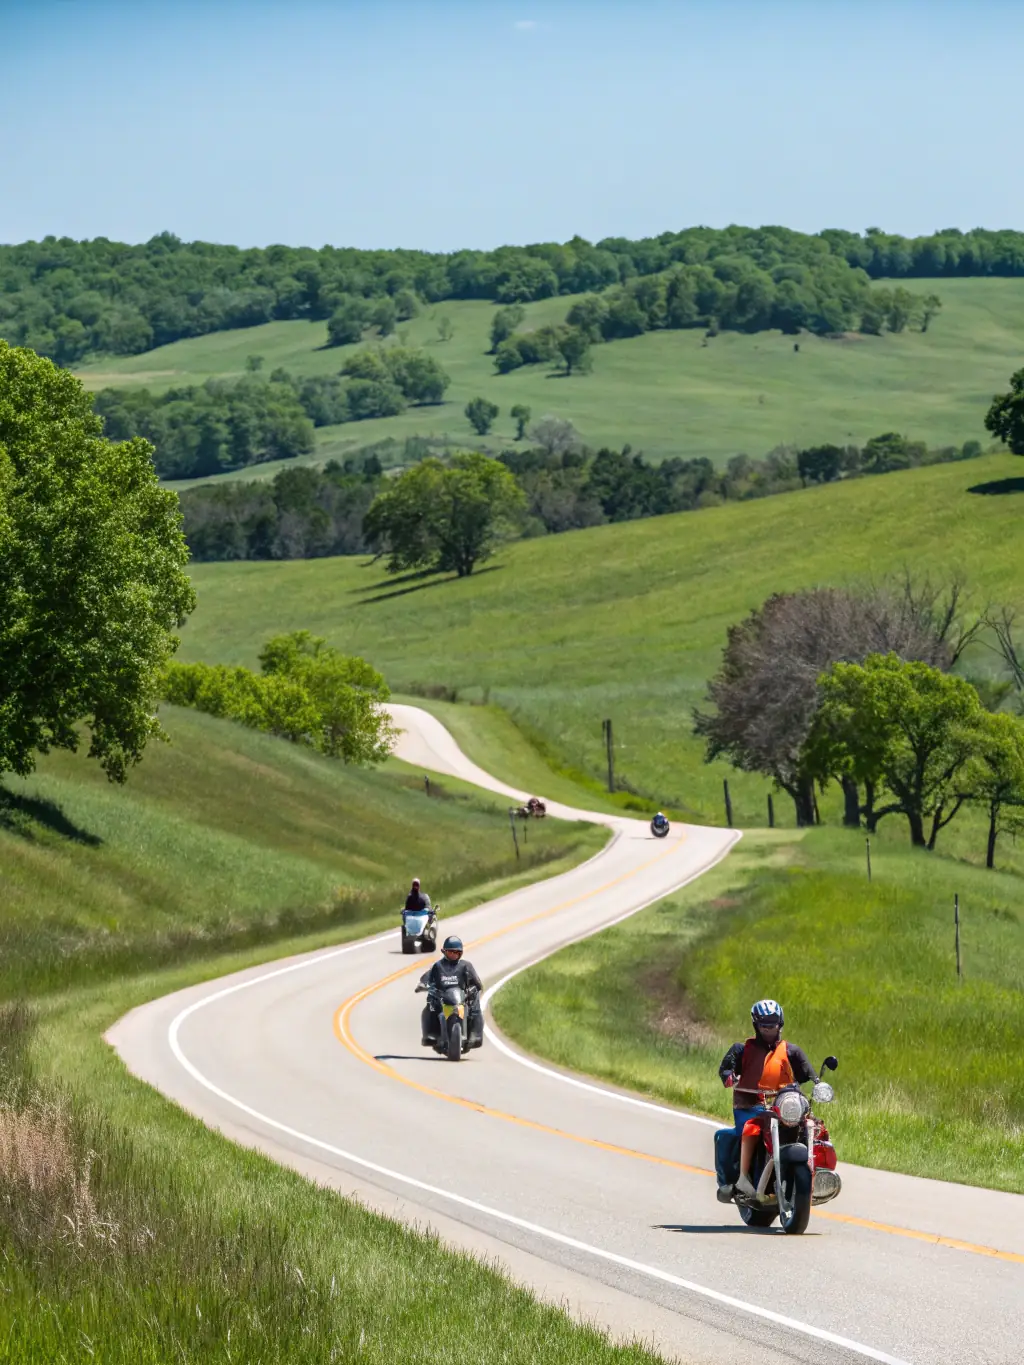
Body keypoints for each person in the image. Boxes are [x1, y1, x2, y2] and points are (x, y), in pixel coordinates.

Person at [713, 998, 817, 1201]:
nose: (769, 1029)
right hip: (750, 1107)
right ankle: (743, 1178)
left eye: (773, 1024)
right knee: (751, 1129)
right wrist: (730, 1078)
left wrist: (819, 1083)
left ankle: (817, 1173)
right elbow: (725, 1069)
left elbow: (809, 1074)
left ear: (781, 1024)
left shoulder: (791, 1051)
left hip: (784, 1106)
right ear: (756, 1025)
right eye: (764, 1025)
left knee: (812, 1126)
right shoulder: (741, 1050)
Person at [418, 935, 483, 1046]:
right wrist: (422, 984)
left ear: (461, 953)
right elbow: (427, 977)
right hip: (442, 998)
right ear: (444, 952)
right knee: (430, 1006)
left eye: (456, 952)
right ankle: (431, 1034)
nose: (453, 954)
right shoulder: (438, 966)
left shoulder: (466, 965)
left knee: (475, 1006)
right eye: (450, 952)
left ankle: (474, 1034)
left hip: (461, 999)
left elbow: (477, 982)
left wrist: (475, 987)